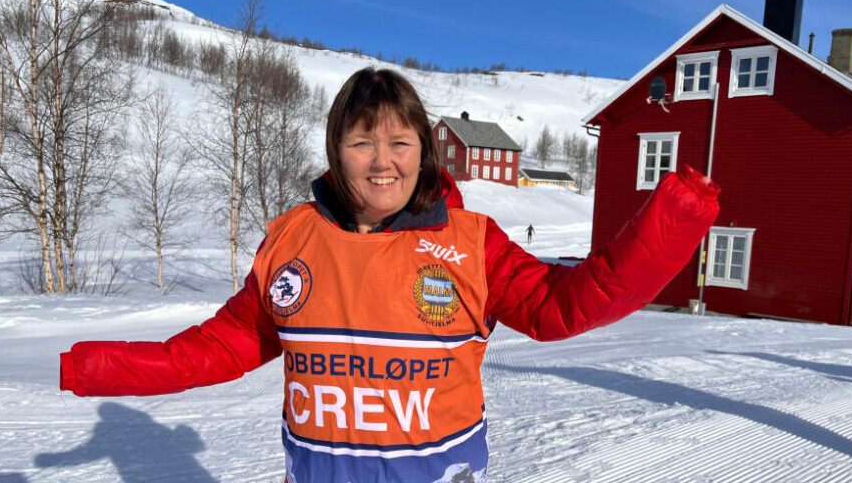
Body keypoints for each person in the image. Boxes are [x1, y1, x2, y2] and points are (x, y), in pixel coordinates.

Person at [59, 67, 719, 482]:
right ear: (335, 152)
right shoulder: (292, 239)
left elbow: (565, 306)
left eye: (399, 142)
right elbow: (219, 347)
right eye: (361, 142)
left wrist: (677, 217)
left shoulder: (472, 243)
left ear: (422, 153)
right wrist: (93, 368)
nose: (383, 163)